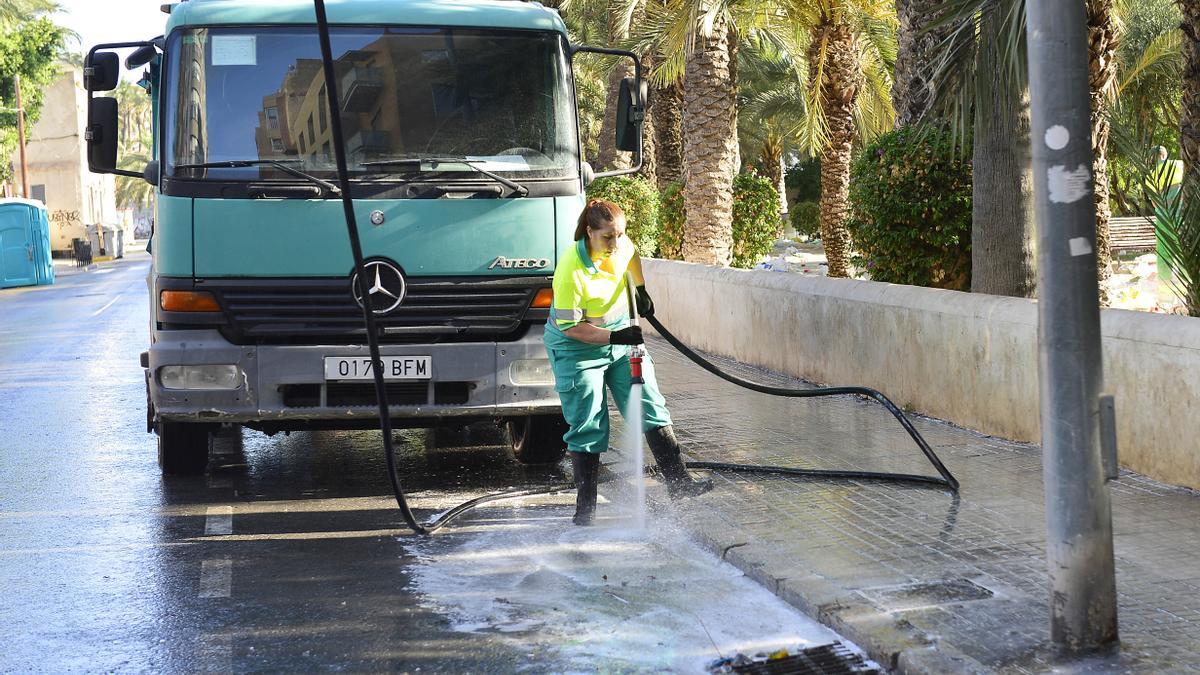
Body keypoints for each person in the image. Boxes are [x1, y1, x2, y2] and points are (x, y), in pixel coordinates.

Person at [544, 199, 713, 525]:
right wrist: (616, 338)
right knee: (588, 423)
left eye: (619, 234)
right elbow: (572, 327)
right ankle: (586, 511)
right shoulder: (570, 270)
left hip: (621, 342)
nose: (615, 243)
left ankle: (680, 486)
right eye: (607, 237)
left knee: (650, 404)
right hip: (577, 351)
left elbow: (632, 254)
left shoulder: (619, 245)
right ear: (589, 233)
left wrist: (640, 289)